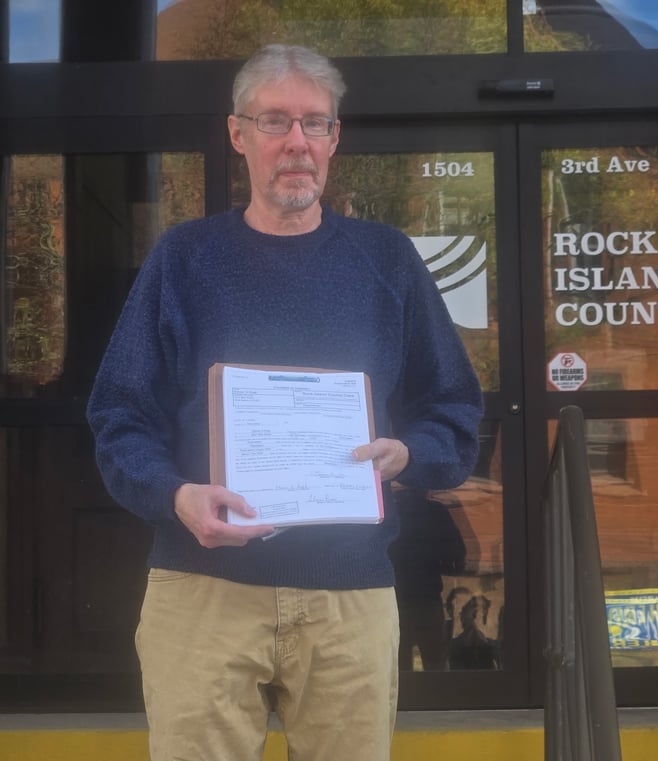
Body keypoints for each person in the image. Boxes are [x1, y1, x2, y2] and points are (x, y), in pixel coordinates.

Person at [87, 44, 483, 761]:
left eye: (314, 122)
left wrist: (409, 453)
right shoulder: (184, 258)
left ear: (335, 138)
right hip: (202, 589)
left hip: (348, 593)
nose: (296, 141)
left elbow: (453, 405)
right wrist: (175, 496)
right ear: (238, 135)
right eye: (275, 121)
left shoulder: (387, 261)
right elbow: (120, 414)